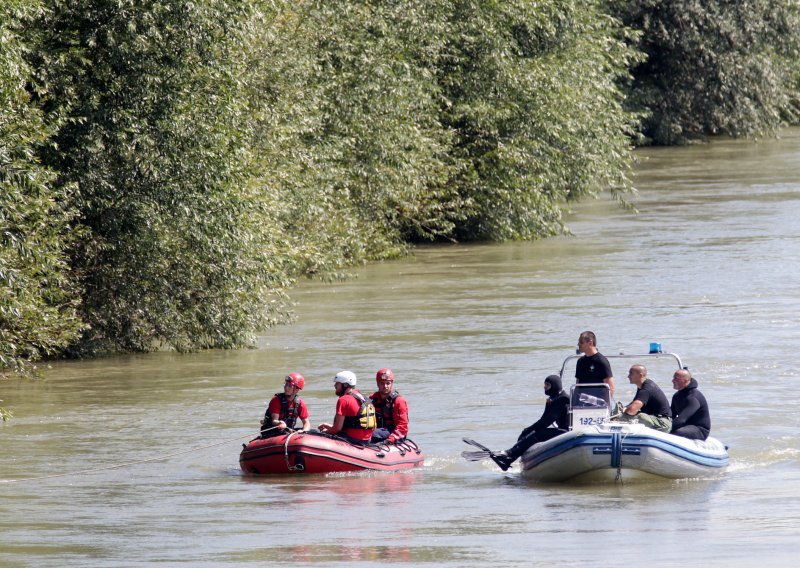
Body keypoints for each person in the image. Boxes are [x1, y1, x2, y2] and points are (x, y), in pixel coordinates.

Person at [490, 375, 570, 471]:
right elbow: (543, 418)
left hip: (567, 433)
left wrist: (530, 429)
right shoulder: (554, 398)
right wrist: (527, 431)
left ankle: (510, 454)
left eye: (547, 385)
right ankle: (509, 458)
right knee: (528, 432)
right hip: (561, 430)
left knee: (538, 434)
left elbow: (546, 422)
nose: (545, 387)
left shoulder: (562, 399)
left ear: (555, 385)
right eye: (545, 385)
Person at [318, 370, 377, 445]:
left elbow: (337, 429)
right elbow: (371, 428)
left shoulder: (343, 400)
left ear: (345, 385)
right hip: (367, 441)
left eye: (337, 383)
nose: (335, 386)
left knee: (314, 433)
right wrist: (329, 426)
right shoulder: (365, 399)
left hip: (351, 440)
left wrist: (325, 431)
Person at [614, 364, 672, 432]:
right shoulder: (642, 386)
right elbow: (634, 404)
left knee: (639, 416)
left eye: (631, 374)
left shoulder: (646, 389)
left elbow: (632, 410)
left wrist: (620, 416)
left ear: (640, 375)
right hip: (655, 419)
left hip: (663, 423)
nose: (628, 376)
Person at [369, 368, 409, 444]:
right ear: (377, 384)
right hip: (379, 430)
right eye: (382, 383)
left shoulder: (398, 401)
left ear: (392, 383)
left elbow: (402, 426)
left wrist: (390, 439)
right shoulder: (373, 398)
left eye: (388, 383)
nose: (385, 386)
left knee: (371, 434)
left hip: (393, 432)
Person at [670, 369, 711, 440]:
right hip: (685, 425)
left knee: (676, 432)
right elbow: (671, 415)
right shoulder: (676, 396)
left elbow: (682, 419)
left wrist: (666, 429)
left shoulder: (693, 397)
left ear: (685, 381)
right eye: (673, 378)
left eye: (676, 379)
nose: (672, 380)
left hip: (699, 429)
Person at [575, 331, 615, 398]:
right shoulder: (580, 361)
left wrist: (605, 405)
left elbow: (610, 387)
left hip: (598, 403)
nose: (578, 344)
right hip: (582, 402)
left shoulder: (601, 361)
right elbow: (577, 385)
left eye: (581, 342)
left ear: (590, 343)